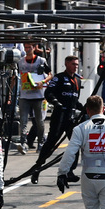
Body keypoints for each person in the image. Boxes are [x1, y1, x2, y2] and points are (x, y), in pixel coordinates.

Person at [32, 55, 83, 185]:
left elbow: (75, 100)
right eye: (73, 64)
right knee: (50, 144)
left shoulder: (78, 80)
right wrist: (56, 102)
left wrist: (84, 107)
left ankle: (70, 172)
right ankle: (37, 169)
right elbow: (48, 93)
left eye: (77, 64)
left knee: (76, 144)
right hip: (59, 116)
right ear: (66, 64)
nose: (75, 66)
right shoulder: (58, 78)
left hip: (72, 117)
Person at [15, 42, 51, 154]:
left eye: (29, 47)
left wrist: (43, 81)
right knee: (23, 121)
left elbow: (50, 74)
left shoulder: (41, 61)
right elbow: (15, 76)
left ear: (34, 48)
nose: (27, 49)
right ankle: (23, 143)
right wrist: (12, 94)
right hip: (24, 95)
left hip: (38, 95)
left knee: (39, 121)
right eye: (25, 47)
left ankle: (40, 142)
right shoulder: (20, 62)